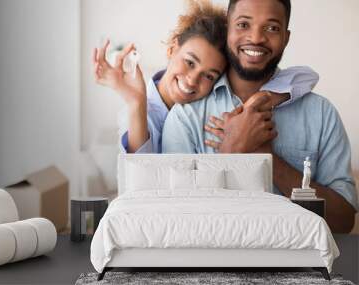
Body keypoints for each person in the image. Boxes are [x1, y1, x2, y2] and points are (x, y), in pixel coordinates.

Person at [162, 0, 357, 233]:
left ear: (286, 37)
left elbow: (344, 221)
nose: (256, 38)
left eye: (272, 28)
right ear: (228, 29)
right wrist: (231, 152)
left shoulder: (322, 114)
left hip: (298, 266)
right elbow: (176, 222)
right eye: (243, 24)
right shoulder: (186, 116)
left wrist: (267, 158)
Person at [93, 0, 318, 154]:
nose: (192, 80)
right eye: (189, 62)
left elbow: (306, 76)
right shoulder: (141, 111)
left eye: (209, 76)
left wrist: (262, 99)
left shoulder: (207, 105)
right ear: (172, 49)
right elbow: (139, 187)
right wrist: (136, 103)